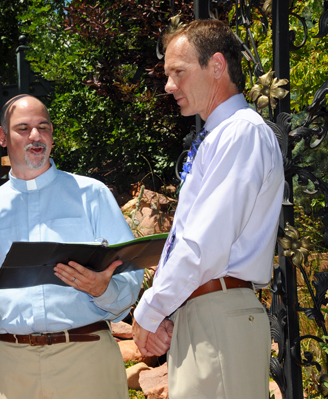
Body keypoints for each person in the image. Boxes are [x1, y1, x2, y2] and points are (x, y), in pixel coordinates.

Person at [0, 94, 143, 399]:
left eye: (43, 127)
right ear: (3, 137)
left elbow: (129, 277)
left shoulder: (92, 195)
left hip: (87, 359)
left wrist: (103, 288)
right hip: (13, 367)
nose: (35, 136)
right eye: (23, 128)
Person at [132, 19, 284, 398]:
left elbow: (203, 244)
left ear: (216, 66)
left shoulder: (240, 132)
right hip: (205, 313)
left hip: (217, 315)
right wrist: (167, 310)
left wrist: (149, 310)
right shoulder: (222, 136)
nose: (169, 86)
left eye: (178, 72)